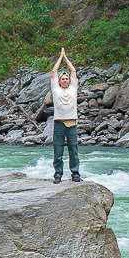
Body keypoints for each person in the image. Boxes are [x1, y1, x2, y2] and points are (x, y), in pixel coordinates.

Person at [50, 48, 82, 183]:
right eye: (62, 79)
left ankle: (75, 174)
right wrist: (60, 57)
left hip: (72, 123)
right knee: (58, 150)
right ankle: (58, 174)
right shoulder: (55, 88)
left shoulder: (73, 88)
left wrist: (66, 57)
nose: (64, 80)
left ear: (69, 81)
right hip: (59, 123)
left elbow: (73, 71)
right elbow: (54, 71)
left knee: (73, 149)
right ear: (59, 81)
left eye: (66, 79)